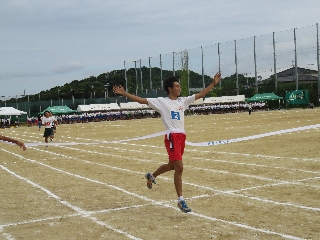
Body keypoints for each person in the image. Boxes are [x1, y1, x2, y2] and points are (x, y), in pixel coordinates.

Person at [113, 72, 222, 213]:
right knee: (179, 168)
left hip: (182, 137)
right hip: (171, 137)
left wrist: (213, 83)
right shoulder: (161, 102)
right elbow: (141, 100)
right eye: (177, 86)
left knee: (172, 165)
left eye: (180, 86)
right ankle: (181, 200)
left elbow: (200, 94)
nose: (179, 88)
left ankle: (151, 176)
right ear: (169, 88)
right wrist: (124, 93)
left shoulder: (183, 101)